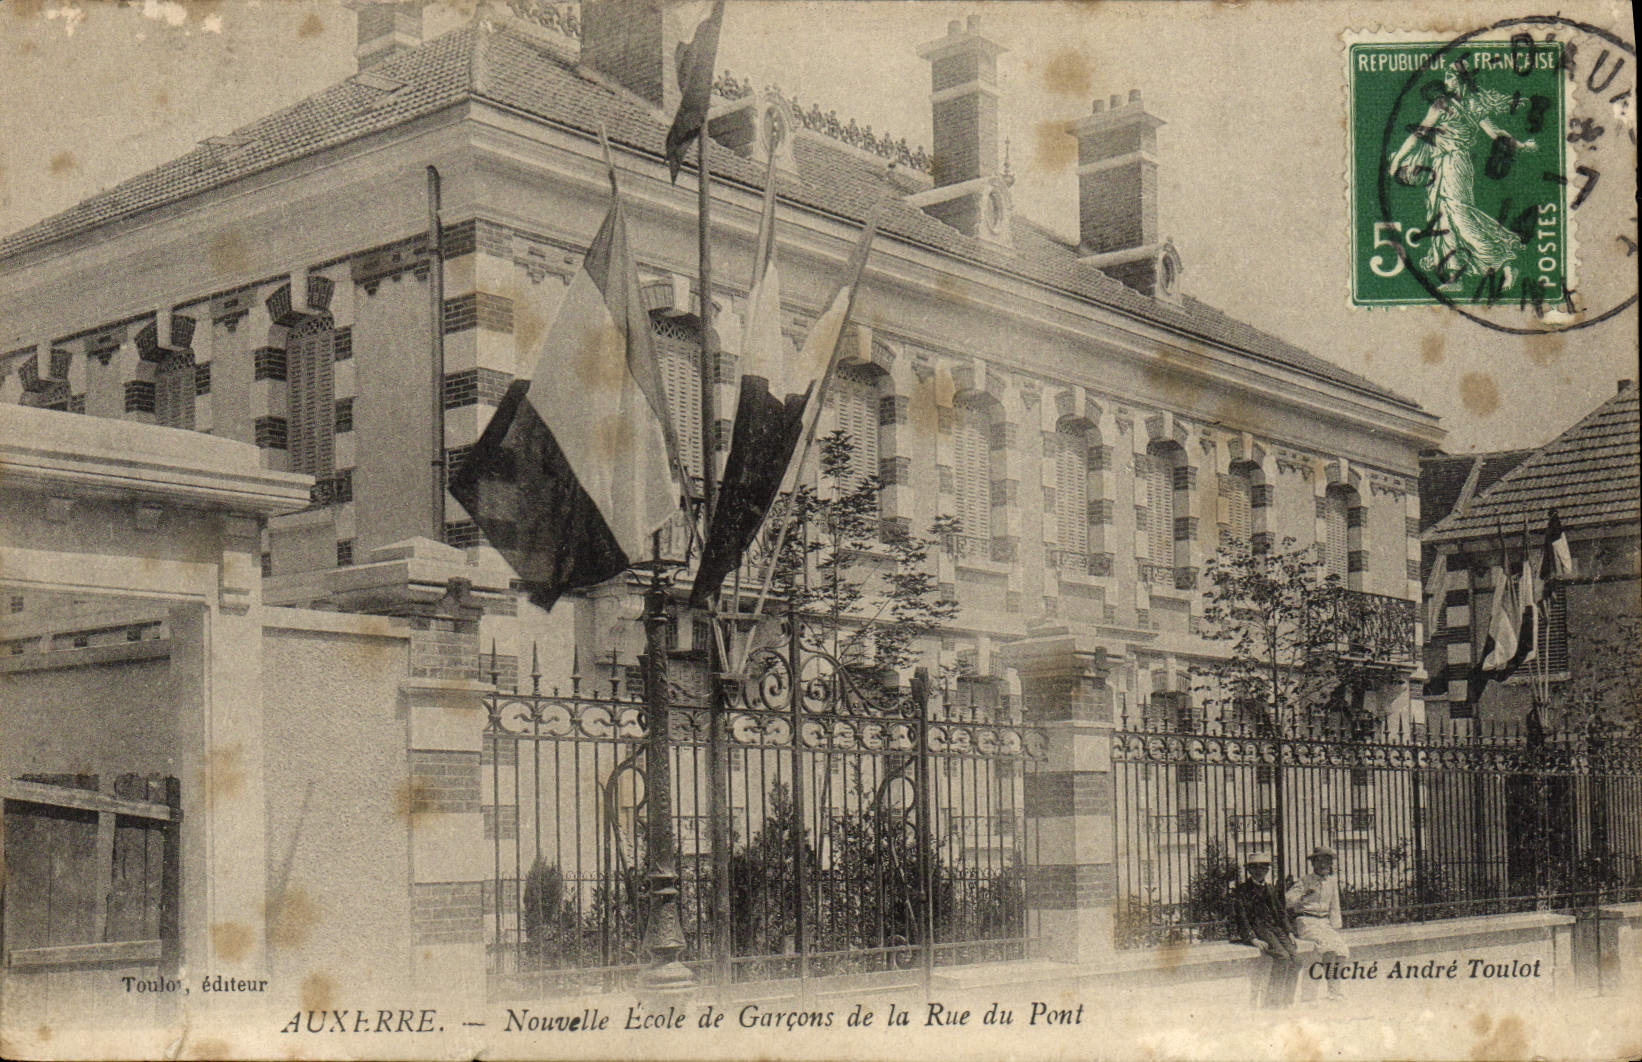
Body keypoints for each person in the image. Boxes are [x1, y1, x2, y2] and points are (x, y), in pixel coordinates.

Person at [1387, 66, 1538, 292]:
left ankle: (1505, 259)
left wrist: (1521, 146)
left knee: (1460, 216)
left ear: (1462, 80)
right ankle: (1454, 277)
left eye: (1451, 76)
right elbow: (1420, 132)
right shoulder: (1449, 104)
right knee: (1442, 217)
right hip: (1442, 164)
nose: (1447, 80)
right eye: (1447, 75)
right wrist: (1398, 159)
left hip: (1455, 164)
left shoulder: (1466, 105)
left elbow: (1497, 134)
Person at [1231, 851, 1299, 1008]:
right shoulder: (1243, 890)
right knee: (1282, 957)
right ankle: (1272, 1002)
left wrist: (1289, 931)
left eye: (1263, 868)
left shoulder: (1269, 888)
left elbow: (1280, 912)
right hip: (1259, 929)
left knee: (1296, 959)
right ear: (1249, 870)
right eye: (1255, 868)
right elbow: (1241, 917)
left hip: (1275, 929)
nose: (1259, 871)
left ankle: (1286, 1000)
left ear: (1267, 870)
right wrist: (1252, 938)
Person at [1286, 844, 1349, 1001]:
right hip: (1307, 921)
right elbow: (1287, 901)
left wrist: (1336, 927)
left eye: (1326, 862)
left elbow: (1335, 905)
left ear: (1330, 864)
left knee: (1341, 951)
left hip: (1324, 923)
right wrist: (1302, 896)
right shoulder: (1305, 881)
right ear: (1313, 863)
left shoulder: (1332, 881)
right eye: (1319, 861)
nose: (1323, 865)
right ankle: (1309, 996)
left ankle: (1334, 991)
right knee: (1325, 949)